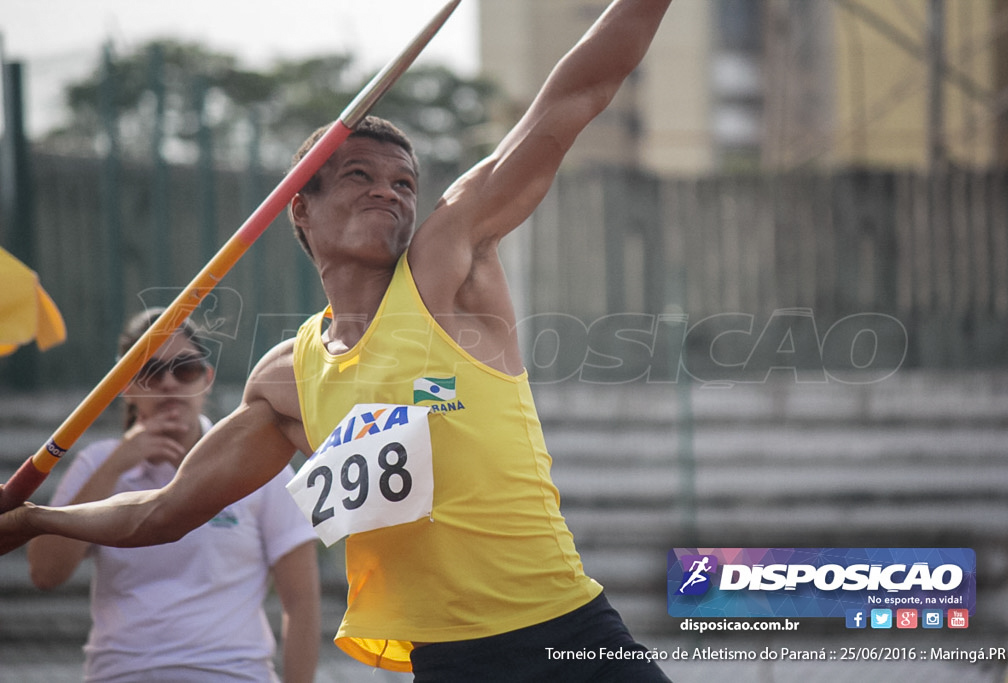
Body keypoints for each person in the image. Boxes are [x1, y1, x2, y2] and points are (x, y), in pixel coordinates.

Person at [1, 1, 674, 679]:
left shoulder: (447, 262)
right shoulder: (288, 378)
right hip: (446, 663)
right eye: (360, 176)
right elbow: (166, 509)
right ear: (301, 205)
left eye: (404, 183)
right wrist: (35, 519)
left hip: (569, 636)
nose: (390, 193)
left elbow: (578, 93)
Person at [24, 308, 321, 683]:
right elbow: (45, 573)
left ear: (207, 379)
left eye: (185, 370)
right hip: (120, 673)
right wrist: (118, 463)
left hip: (229, 672)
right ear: (126, 387)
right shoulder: (97, 464)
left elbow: (302, 600)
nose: (168, 384)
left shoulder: (260, 465)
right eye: (149, 371)